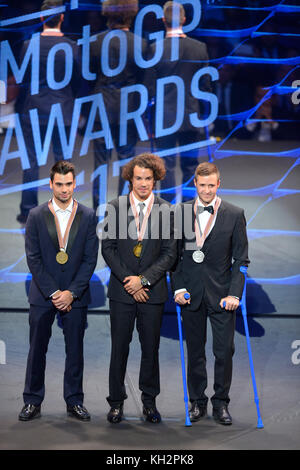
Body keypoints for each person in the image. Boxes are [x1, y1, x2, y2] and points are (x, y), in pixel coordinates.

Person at [18, 161, 99, 421]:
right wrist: (54, 292)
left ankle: (74, 400)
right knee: (36, 349)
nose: (64, 189)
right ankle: (32, 400)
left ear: (75, 184)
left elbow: (90, 260)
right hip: (43, 294)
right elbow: (33, 258)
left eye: (69, 184)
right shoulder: (35, 215)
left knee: (75, 349)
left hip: (76, 296)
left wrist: (71, 293)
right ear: (51, 184)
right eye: (59, 184)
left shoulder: (87, 215)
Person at [101, 153, 177, 424]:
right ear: (130, 179)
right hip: (122, 292)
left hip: (152, 292)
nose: (143, 184)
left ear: (155, 179)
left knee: (150, 349)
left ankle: (149, 402)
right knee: (119, 348)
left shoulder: (168, 210)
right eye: (138, 178)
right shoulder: (115, 207)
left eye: (148, 178)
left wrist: (143, 281)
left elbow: (170, 254)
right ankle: (116, 403)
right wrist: (130, 281)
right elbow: (107, 249)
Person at [172, 162, 249, 425]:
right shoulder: (179, 212)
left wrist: (235, 294)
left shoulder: (235, 214)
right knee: (195, 352)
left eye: (211, 185)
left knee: (224, 351)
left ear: (219, 184)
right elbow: (174, 257)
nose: (206, 190)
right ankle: (197, 402)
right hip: (191, 294)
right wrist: (179, 287)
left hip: (222, 295)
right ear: (194, 184)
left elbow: (241, 260)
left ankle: (221, 403)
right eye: (202, 185)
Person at [16, 0, 81, 224]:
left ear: (42, 18)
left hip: (33, 109)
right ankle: (64, 207)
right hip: (62, 110)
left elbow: (23, 80)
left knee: (31, 160)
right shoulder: (72, 46)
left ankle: (27, 210)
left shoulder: (28, 45)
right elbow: (78, 81)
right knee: (63, 162)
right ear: (61, 18)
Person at [148, 1, 211, 202]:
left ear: (163, 20)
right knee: (190, 166)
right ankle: (188, 214)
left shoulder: (155, 48)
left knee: (165, 166)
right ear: (184, 20)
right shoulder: (199, 48)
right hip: (191, 115)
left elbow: (149, 87)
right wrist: (206, 115)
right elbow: (205, 87)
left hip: (163, 117)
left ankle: (166, 214)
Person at [89, 0, 146, 206]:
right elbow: (143, 81)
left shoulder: (95, 42)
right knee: (127, 162)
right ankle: (124, 210)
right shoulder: (140, 43)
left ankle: (98, 210)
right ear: (130, 16)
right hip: (128, 109)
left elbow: (88, 78)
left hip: (102, 106)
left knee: (100, 163)